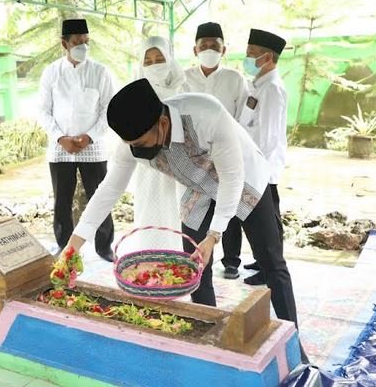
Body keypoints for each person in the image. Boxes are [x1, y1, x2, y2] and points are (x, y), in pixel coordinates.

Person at [65, 78, 301, 335]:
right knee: (194, 266)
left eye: (142, 144)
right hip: (198, 187)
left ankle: (294, 340)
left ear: (163, 124)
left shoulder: (206, 115)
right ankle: (210, 335)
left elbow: (232, 178)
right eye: (132, 146)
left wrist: (213, 236)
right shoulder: (132, 145)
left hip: (245, 179)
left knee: (271, 261)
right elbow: (109, 190)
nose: (138, 151)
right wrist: (74, 245)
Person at [37, 18, 115, 261]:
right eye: (77, 42)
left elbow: (108, 110)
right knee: (62, 200)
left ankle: (104, 246)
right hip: (61, 148)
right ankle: (64, 245)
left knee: (100, 196)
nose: (82, 46)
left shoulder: (100, 71)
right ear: (64, 44)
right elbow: (43, 110)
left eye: (86, 42)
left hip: (93, 147)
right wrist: (61, 138)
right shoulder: (51, 72)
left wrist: (89, 137)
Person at [183, 22, 252, 280]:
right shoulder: (185, 78)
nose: (209, 49)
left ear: (224, 50)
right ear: (195, 49)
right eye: (204, 46)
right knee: (198, 207)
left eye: (215, 46)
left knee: (229, 204)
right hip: (194, 157)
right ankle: (196, 256)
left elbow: (244, 117)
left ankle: (232, 260)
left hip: (227, 152)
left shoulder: (234, 79)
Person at [228, 29, 288, 286]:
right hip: (251, 164)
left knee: (269, 221)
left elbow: (269, 137)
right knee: (257, 218)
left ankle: (270, 266)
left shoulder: (272, 88)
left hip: (262, 167)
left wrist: (253, 164)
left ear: (268, 57)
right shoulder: (258, 84)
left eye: (252, 54)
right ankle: (262, 260)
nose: (247, 58)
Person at [131, 36, 186, 250]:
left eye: (159, 58)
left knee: (179, 215)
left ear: (169, 59)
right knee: (151, 213)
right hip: (149, 167)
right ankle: (151, 257)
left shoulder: (184, 88)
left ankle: (181, 263)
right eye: (148, 61)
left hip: (182, 166)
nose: (154, 65)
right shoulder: (136, 94)